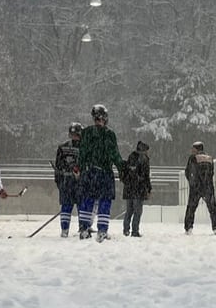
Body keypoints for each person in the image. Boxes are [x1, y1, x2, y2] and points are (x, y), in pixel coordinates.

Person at [76, 104, 124, 242]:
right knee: (104, 202)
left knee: (87, 200)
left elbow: (82, 153)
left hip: (89, 172)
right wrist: (121, 168)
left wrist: (79, 167)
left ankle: (84, 229)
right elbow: (114, 154)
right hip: (104, 173)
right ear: (105, 118)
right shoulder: (109, 134)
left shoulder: (86, 133)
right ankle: (102, 230)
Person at [184, 141, 216, 235]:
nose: (192, 150)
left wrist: (193, 183)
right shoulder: (209, 158)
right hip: (208, 187)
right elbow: (212, 172)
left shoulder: (193, 158)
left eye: (193, 148)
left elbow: (188, 172)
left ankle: (188, 227)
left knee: (191, 208)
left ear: (196, 149)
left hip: (196, 187)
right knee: (212, 208)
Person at [54, 122, 82, 238]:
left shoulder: (62, 147)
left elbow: (58, 166)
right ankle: (67, 229)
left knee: (78, 207)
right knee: (75, 207)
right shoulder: (85, 147)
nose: (75, 136)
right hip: (73, 182)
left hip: (68, 182)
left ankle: (80, 228)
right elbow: (58, 166)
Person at [121, 141, 152, 237]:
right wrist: (149, 188)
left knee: (129, 211)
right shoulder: (144, 159)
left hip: (129, 189)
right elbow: (146, 176)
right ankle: (135, 231)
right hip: (139, 189)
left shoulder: (131, 158)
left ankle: (126, 230)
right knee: (137, 211)